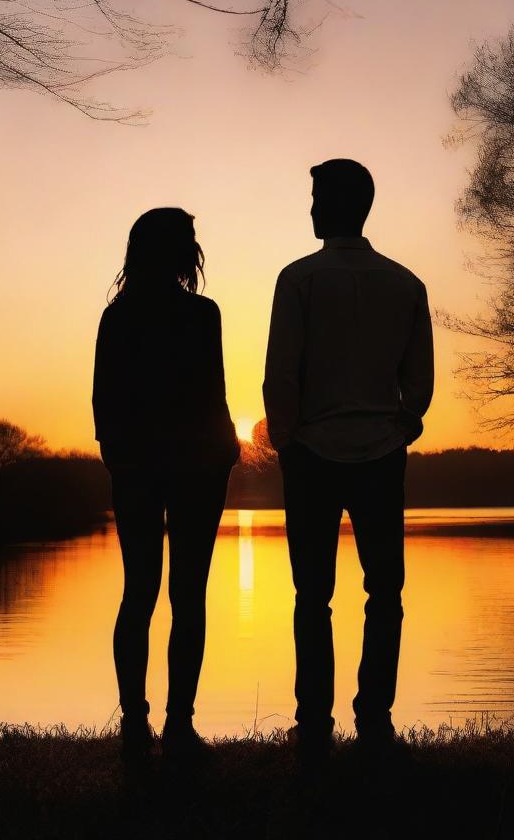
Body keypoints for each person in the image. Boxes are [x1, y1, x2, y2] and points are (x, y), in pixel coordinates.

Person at [263, 159, 434, 761]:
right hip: (382, 454)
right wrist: (401, 424)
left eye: (315, 198)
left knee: (313, 593)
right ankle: (374, 717)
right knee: (385, 590)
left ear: (339, 205)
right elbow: (420, 382)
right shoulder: (405, 284)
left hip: (311, 452)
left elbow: (282, 370)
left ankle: (314, 721)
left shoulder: (299, 280)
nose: (310, 209)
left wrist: (285, 439)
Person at [93, 208, 240, 761]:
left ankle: (137, 724)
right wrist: (225, 453)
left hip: (140, 470)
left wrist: (119, 460)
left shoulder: (118, 316)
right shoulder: (203, 315)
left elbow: (102, 404)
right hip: (195, 470)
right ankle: (177, 726)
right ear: (183, 252)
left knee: (140, 593)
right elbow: (214, 392)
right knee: (187, 597)